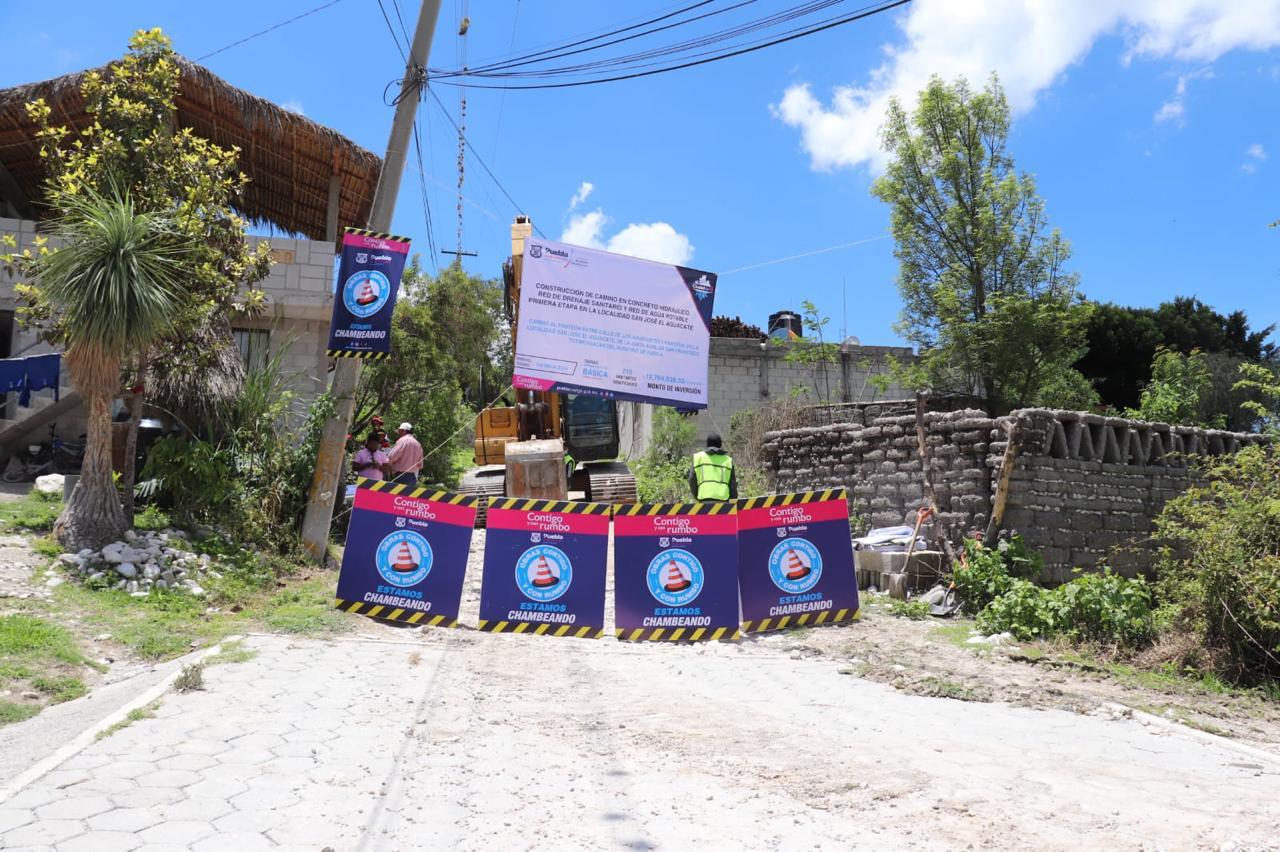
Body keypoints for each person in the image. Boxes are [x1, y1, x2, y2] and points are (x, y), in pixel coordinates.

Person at [688, 433, 738, 501]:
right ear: (720, 445)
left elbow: (691, 479)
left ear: (707, 444)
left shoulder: (698, 458)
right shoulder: (728, 460)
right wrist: (732, 500)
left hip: (704, 499)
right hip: (723, 500)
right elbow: (732, 484)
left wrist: (696, 495)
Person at [387, 422, 424, 486]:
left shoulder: (402, 440)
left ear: (403, 431)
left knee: (397, 493)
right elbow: (420, 465)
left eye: (399, 431)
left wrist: (386, 463)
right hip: (412, 477)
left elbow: (391, 456)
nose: (399, 433)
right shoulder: (418, 444)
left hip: (401, 476)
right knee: (409, 493)